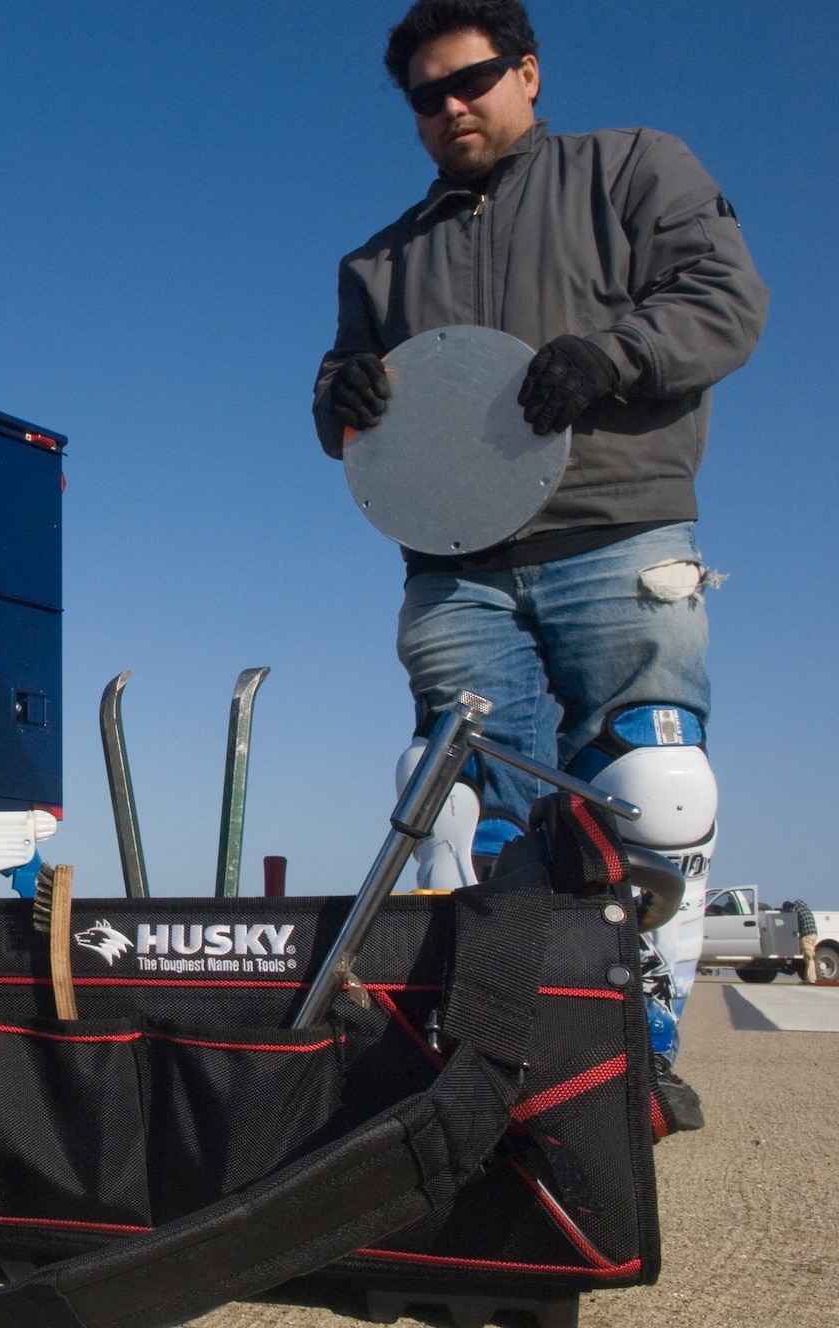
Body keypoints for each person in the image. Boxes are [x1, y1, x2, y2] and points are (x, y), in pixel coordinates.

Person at [313, 0, 766, 1044]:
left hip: (618, 534)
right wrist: (341, 396)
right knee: (471, 811)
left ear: (527, 73)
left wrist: (612, 353)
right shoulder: (376, 263)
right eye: (424, 97)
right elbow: (333, 412)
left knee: (654, 795)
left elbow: (724, 295)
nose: (448, 107)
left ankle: (631, 1057)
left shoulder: (633, 168)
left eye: (468, 80)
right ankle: (501, 1054)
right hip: (452, 571)